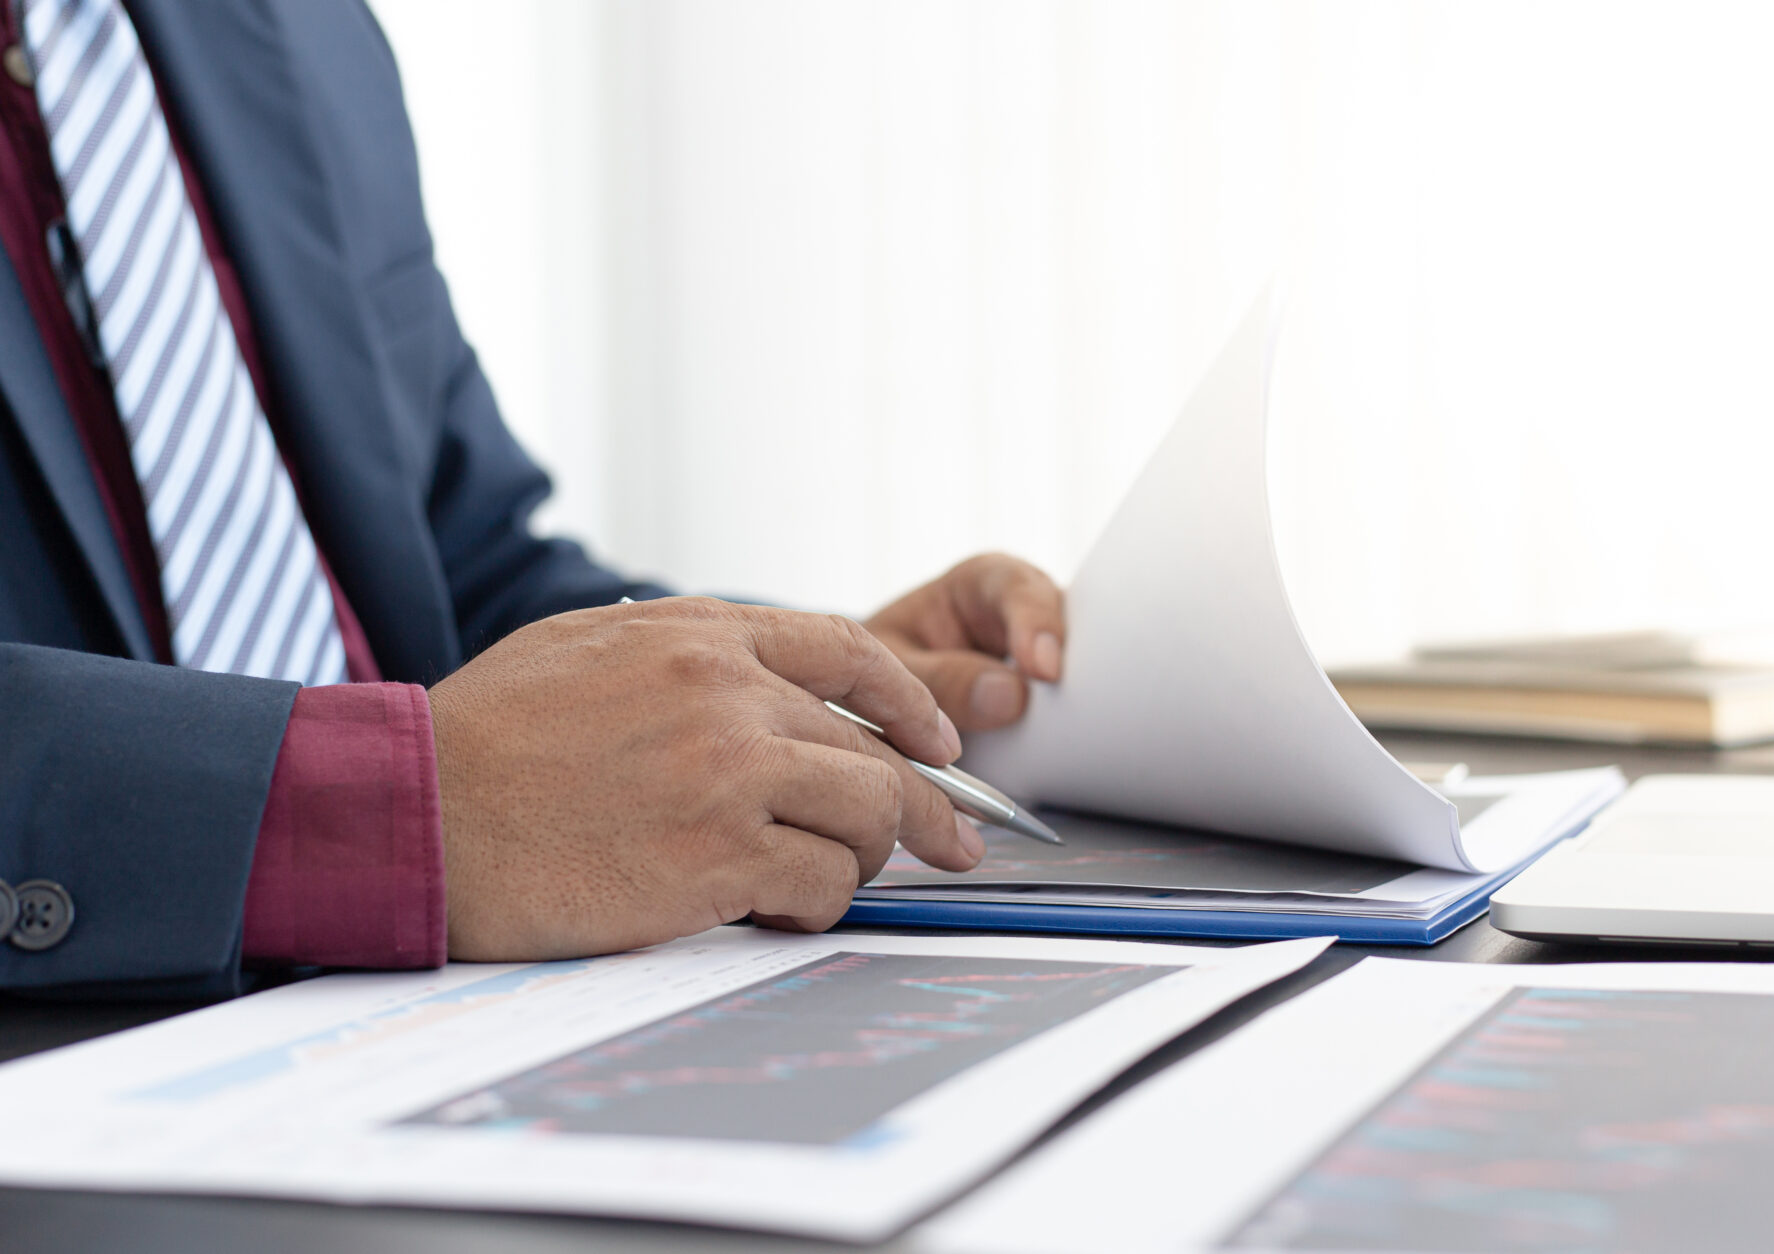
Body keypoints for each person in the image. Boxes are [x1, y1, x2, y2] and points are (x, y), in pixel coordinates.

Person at [0, 0, 1063, 996]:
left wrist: (774, 682)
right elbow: (450, 760)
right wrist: (394, 804)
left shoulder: (301, 31)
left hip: (436, 1026)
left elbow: (459, 565)